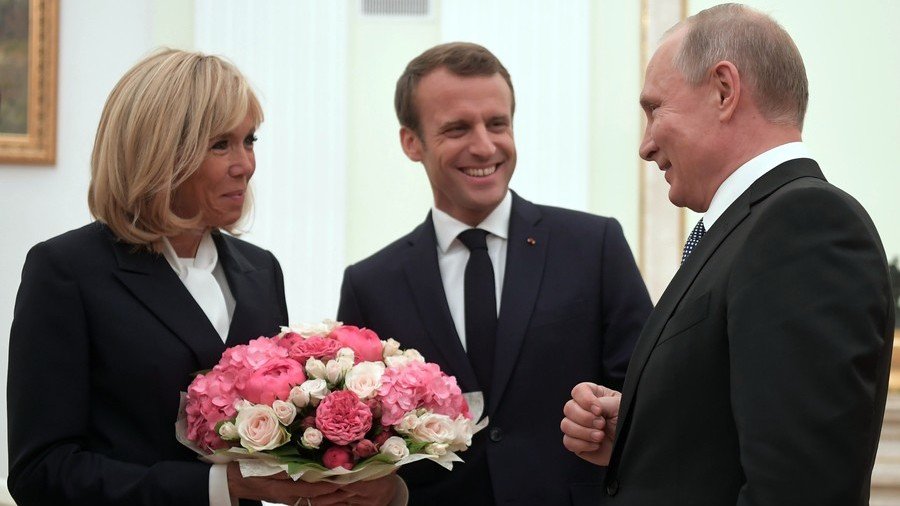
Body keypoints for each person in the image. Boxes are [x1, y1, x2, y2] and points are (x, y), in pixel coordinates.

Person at [7, 49, 398, 506]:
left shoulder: (261, 271)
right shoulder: (67, 270)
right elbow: (41, 472)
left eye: (249, 140)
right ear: (156, 152)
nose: (245, 165)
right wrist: (216, 488)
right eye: (220, 145)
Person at [560, 4, 894, 504]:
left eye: (655, 110)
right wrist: (641, 427)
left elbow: (798, 488)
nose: (646, 145)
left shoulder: (804, 226)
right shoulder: (747, 230)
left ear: (723, 89)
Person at [337, 42, 652, 505]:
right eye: (457, 128)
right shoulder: (370, 285)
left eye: (498, 124)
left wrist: (606, 415)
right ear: (411, 142)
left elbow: (648, 391)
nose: (484, 146)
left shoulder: (594, 246)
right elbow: (357, 439)